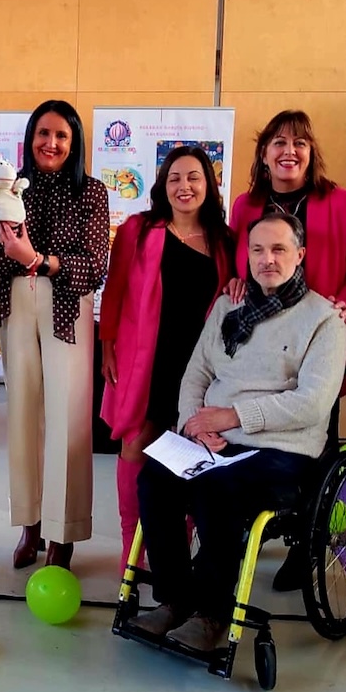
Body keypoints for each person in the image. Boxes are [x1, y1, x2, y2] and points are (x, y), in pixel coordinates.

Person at [128, 213, 346, 652]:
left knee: (217, 487)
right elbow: (196, 373)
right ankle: (175, 599)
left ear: (300, 255)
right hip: (215, 437)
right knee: (155, 478)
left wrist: (232, 417)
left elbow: (311, 403)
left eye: (279, 249)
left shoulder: (324, 320)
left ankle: (212, 613)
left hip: (282, 447)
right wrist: (194, 424)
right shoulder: (228, 307)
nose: (268, 259)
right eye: (258, 250)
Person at [226, 109, 346, 591]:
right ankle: (245, 524)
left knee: (316, 442)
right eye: (279, 142)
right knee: (252, 432)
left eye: (299, 143)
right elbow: (239, 266)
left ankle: (307, 542)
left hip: (319, 343)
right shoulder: (245, 206)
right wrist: (232, 280)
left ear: (311, 153)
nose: (289, 151)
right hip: (259, 350)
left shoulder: (345, 203)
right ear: (263, 154)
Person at [0, 99, 110, 571]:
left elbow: (94, 266)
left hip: (66, 309)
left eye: (61, 135)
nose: (51, 143)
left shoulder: (91, 192)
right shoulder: (5, 189)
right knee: (23, 418)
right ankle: (30, 523)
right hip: (16, 306)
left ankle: (63, 532)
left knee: (67, 420)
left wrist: (37, 259)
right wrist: (12, 252)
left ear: (74, 142)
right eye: (43, 133)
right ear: (29, 138)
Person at [99, 146, 235, 570]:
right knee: (136, 448)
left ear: (208, 185)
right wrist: (107, 346)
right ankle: (132, 552)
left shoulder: (225, 240)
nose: (184, 186)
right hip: (145, 361)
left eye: (194, 177)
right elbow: (114, 291)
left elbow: (232, 293)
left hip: (200, 368)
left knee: (192, 455)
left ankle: (178, 552)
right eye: (175, 178)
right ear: (163, 186)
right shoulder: (139, 230)